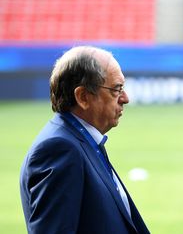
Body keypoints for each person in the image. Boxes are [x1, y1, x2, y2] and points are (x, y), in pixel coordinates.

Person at [19, 46, 150, 234]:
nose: (125, 98)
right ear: (83, 97)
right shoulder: (60, 149)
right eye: (116, 89)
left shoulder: (82, 140)